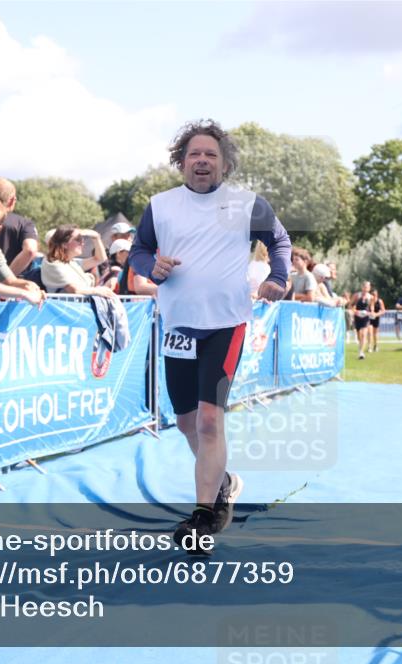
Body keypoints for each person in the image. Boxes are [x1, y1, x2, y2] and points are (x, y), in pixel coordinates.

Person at [128, 119, 290, 552]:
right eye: (194, 154)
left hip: (226, 323)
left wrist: (278, 275)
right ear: (181, 162)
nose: (202, 160)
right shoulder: (160, 205)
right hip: (178, 327)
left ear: (224, 164)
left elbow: (279, 242)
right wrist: (149, 268)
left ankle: (203, 517)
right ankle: (224, 482)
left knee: (208, 419)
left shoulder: (246, 203)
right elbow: (139, 252)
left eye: (211, 154)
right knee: (185, 422)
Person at [42, 226, 121, 298]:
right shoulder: (53, 265)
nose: (82, 243)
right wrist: (100, 290)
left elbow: (100, 259)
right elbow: (75, 290)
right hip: (65, 311)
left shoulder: (70, 263)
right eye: (78, 239)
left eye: (82, 239)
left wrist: (96, 238)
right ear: (64, 244)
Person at [0, 178, 39, 278]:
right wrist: (5, 278)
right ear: (11, 201)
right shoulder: (23, 224)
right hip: (10, 289)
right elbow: (30, 250)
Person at [353, 281, 373, 359]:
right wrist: (356, 311)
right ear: (362, 287)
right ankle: (360, 348)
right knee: (359, 335)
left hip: (365, 317)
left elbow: (372, 307)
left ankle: (361, 352)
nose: (366, 288)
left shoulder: (371, 297)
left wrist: (370, 312)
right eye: (364, 287)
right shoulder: (357, 295)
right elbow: (351, 305)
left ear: (369, 288)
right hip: (357, 316)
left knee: (364, 334)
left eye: (367, 287)